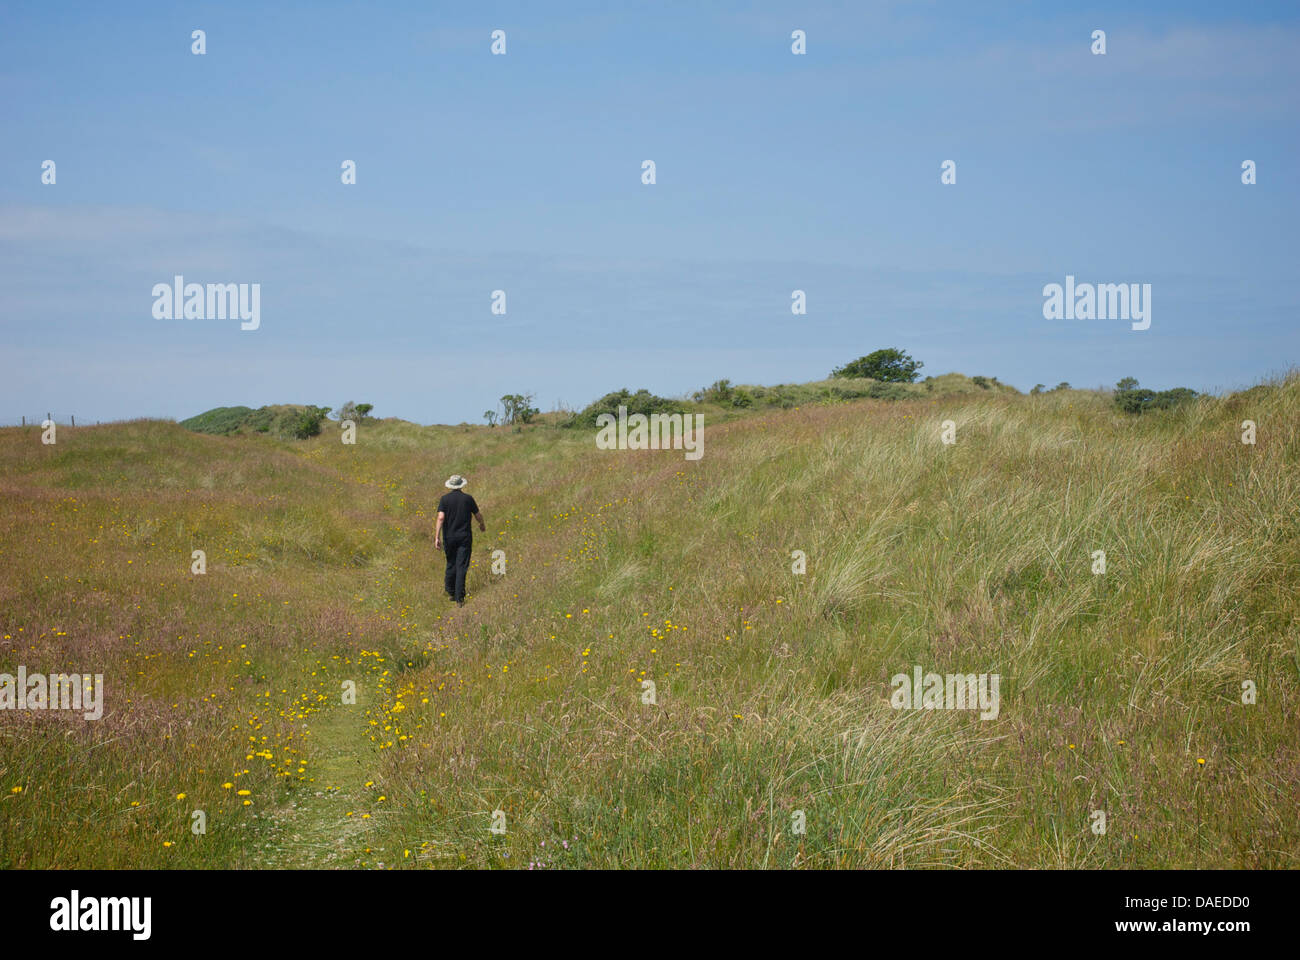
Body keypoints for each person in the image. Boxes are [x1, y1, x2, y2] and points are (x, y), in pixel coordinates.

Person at [435, 474, 485, 606]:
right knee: (461, 566)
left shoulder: (444, 500)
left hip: (449, 537)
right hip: (464, 537)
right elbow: (478, 515)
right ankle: (459, 598)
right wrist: (482, 524)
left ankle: (450, 591)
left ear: (450, 486)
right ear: (461, 485)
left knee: (451, 563)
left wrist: (437, 537)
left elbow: (440, 518)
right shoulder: (468, 499)